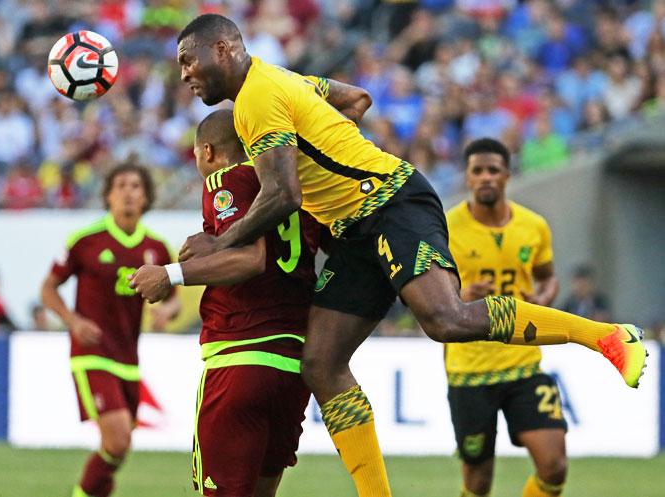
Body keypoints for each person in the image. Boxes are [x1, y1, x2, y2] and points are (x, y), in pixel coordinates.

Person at [174, 14, 647, 497]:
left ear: (224, 49)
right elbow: (357, 98)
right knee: (319, 363)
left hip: (390, 198)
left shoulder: (256, 98)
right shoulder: (283, 80)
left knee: (446, 319)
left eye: (189, 60)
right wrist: (325, 144)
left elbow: (283, 195)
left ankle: (607, 337)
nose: (185, 74)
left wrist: (221, 240)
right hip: (355, 225)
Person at [129, 108, 325, 497]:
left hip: (240, 357)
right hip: (292, 367)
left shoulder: (228, 178)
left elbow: (250, 259)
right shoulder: (293, 191)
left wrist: (169, 275)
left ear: (208, 152)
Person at [40, 163, 180, 497]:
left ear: (145, 196)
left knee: (118, 448)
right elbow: (49, 288)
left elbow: (174, 299)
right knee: (117, 440)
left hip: (128, 357)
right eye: (120, 186)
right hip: (91, 353)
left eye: (135, 186)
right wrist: (73, 321)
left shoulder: (157, 248)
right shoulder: (86, 241)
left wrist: (165, 313)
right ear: (108, 196)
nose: (128, 192)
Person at [445, 138, 567, 497]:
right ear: (466, 177)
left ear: (507, 176)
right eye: (477, 171)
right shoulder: (447, 228)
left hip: (525, 363)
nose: (486, 177)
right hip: (469, 370)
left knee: (554, 466)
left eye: (493, 170)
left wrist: (541, 298)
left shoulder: (534, 226)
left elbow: (547, 276)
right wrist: (461, 296)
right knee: (478, 481)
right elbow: (427, 294)